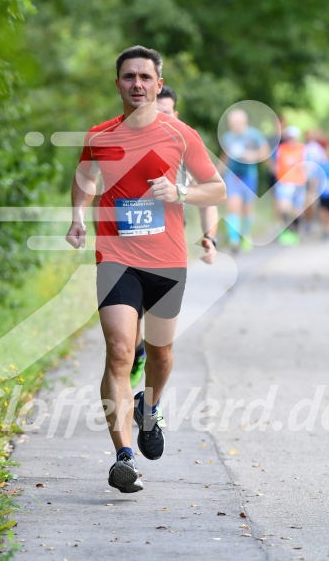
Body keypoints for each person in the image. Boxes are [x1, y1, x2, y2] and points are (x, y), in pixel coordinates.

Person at [65, 45, 226, 493]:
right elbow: (84, 179)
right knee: (119, 352)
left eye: (145, 77)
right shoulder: (100, 135)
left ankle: (148, 409)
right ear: (117, 83)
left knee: (160, 355)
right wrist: (78, 217)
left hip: (167, 259)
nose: (137, 84)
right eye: (128, 77)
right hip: (115, 256)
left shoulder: (181, 134)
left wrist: (179, 194)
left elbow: (216, 189)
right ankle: (123, 457)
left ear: (158, 83)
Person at [129, 85, 219, 389]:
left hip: (166, 250)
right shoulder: (126, 138)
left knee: (160, 341)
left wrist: (210, 237)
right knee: (128, 321)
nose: (158, 116)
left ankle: (146, 374)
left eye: (165, 111)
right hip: (126, 247)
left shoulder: (183, 143)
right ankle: (134, 350)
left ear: (174, 113)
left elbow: (209, 195)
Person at [218, 108, 269, 252]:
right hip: (233, 176)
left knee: (247, 209)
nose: (235, 125)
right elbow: (225, 157)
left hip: (249, 176)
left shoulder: (254, 135)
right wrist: (217, 174)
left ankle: (245, 234)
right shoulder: (227, 137)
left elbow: (264, 152)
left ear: (244, 122)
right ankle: (234, 240)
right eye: (233, 123)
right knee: (233, 206)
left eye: (238, 122)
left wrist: (253, 155)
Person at [274, 126, 308, 245]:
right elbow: (276, 164)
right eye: (289, 137)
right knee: (284, 207)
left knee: (298, 210)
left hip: (299, 182)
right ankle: (289, 231)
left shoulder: (302, 148)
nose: (291, 139)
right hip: (285, 182)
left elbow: (307, 165)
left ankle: (295, 232)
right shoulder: (281, 149)